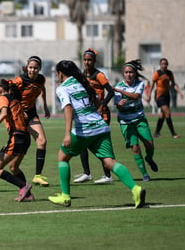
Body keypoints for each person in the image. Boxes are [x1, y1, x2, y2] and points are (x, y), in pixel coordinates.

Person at [48, 60, 146, 208]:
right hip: (101, 126)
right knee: (109, 162)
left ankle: (65, 196)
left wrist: (67, 133)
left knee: (62, 157)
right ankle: (135, 188)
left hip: (84, 129)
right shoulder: (83, 82)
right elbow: (98, 104)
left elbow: (68, 109)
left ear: (60, 73)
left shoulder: (62, 88)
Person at [0, 79, 34, 202]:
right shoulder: (15, 100)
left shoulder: (3, 97)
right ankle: (27, 194)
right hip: (25, 137)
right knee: (13, 167)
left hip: (16, 137)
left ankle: (24, 186)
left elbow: (4, 113)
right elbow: (24, 117)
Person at [74, 49, 115, 184]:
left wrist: (102, 105)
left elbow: (110, 92)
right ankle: (87, 173)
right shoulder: (82, 74)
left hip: (101, 114)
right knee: (82, 143)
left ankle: (107, 176)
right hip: (89, 114)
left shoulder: (99, 75)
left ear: (94, 61)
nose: (87, 62)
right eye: (85, 60)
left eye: (89, 60)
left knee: (101, 144)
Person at [114, 59, 158, 182]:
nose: (129, 74)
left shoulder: (139, 84)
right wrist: (120, 105)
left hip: (139, 119)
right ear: (123, 73)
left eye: (131, 72)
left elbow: (136, 96)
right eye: (126, 72)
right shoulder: (118, 87)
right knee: (135, 147)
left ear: (135, 73)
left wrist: (121, 92)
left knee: (150, 144)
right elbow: (116, 105)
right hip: (125, 122)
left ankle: (149, 158)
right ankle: (144, 174)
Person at [12, 55, 50, 187]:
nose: (32, 70)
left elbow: (43, 89)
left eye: (35, 68)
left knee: (42, 141)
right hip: (19, 115)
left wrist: (45, 106)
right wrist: (20, 111)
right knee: (18, 146)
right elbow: (10, 95)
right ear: (27, 67)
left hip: (32, 113)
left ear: (40, 68)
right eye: (30, 67)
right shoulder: (20, 80)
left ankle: (37, 176)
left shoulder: (41, 79)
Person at [147, 58, 184, 138]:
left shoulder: (169, 73)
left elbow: (173, 84)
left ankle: (156, 133)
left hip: (167, 96)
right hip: (159, 96)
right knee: (167, 113)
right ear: (160, 65)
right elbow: (152, 85)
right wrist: (149, 95)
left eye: (165, 64)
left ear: (167, 64)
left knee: (162, 115)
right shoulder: (157, 73)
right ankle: (173, 134)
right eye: (162, 64)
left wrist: (180, 92)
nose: (164, 65)